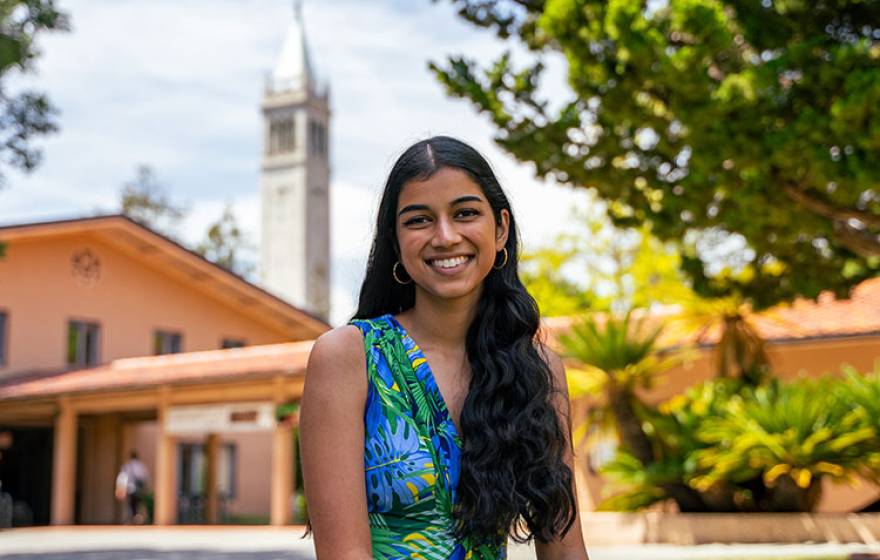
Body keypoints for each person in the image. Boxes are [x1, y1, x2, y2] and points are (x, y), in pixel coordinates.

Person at [300, 136, 589, 559]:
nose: (446, 236)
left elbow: (565, 550)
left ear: (501, 228)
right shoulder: (349, 358)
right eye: (419, 220)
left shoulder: (536, 369)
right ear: (396, 242)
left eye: (465, 213)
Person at [115, 450, 150, 524]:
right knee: (138, 503)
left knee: (131, 504)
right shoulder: (141, 466)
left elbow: (123, 477)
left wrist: (120, 488)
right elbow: (145, 478)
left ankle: (133, 517)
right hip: (139, 489)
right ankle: (137, 517)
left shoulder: (127, 466)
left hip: (130, 488)